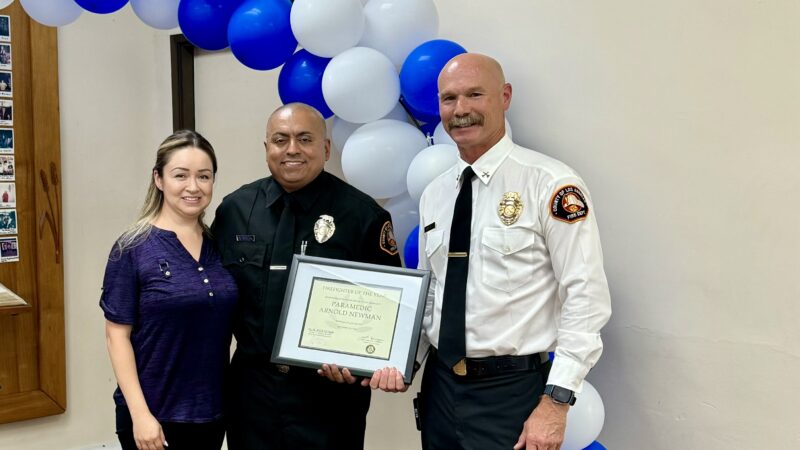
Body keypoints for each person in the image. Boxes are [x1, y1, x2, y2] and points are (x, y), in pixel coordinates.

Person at [371, 53, 612, 449]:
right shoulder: (436, 194)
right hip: (441, 389)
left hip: (513, 393)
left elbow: (585, 298)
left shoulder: (550, 184)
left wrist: (556, 404)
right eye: (449, 99)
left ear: (504, 97)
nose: (460, 110)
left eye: (474, 95)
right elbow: (434, 293)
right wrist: (403, 360)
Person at [212, 102, 402, 449]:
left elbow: (389, 308)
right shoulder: (234, 211)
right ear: (267, 147)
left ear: (326, 148)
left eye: (305, 139)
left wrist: (359, 364)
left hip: (329, 398)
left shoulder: (363, 216)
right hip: (251, 395)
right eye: (280, 139)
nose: (292, 150)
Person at [100, 130, 238, 450]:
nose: (193, 186)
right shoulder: (132, 248)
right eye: (181, 175)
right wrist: (141, 415)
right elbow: (116, 336)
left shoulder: (220, 246)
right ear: (159, 179)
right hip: (154, 417)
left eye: (204, 176)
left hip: (211, 413)